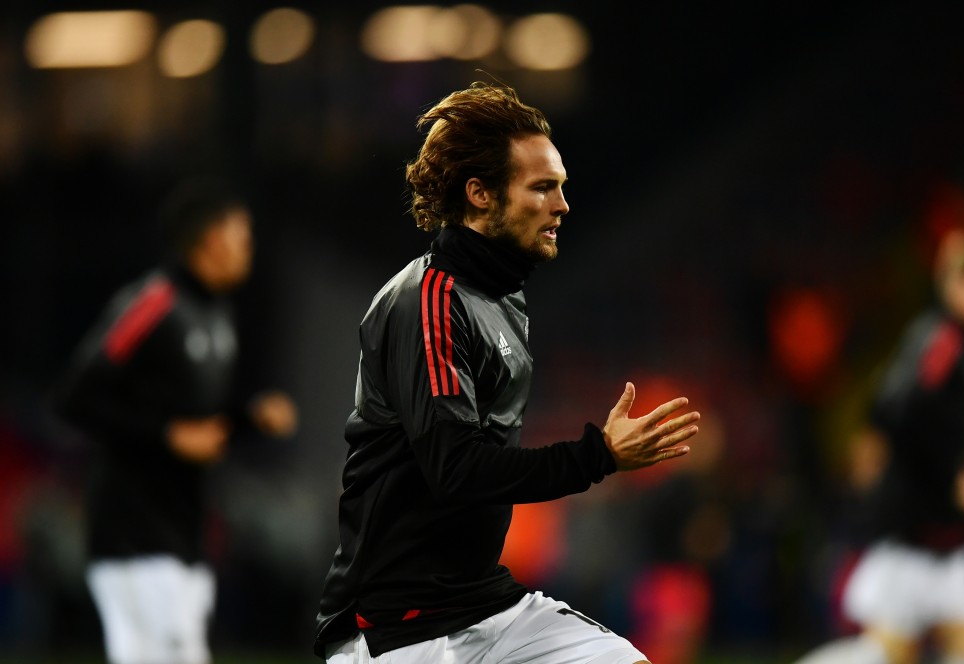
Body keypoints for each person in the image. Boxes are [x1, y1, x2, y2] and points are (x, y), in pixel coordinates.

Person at [312, 80, 702, 664]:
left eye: (561, 187)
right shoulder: (428, 300)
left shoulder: (501, 300)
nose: (562, 205)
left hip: (483, 606)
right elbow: (456, 468)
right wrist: (598, 456)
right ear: (480, 194)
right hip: (399, 626)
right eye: (542, 187)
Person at [53, 178, 298, 664]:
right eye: (241, 233)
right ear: (211, 239)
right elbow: (74, 398)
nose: (249, 245)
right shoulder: (154, 303)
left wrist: (248, 419)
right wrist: (166, 435)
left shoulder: (218, 314)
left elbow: (198, 429)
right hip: (133, 533)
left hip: (184, 535)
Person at [794, 228, 964, 664]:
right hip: (916, 541)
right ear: (962, 286)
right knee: (882, 655)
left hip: (945, 542)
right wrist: (954, 475)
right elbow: (896, 407)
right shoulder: (945, 342)